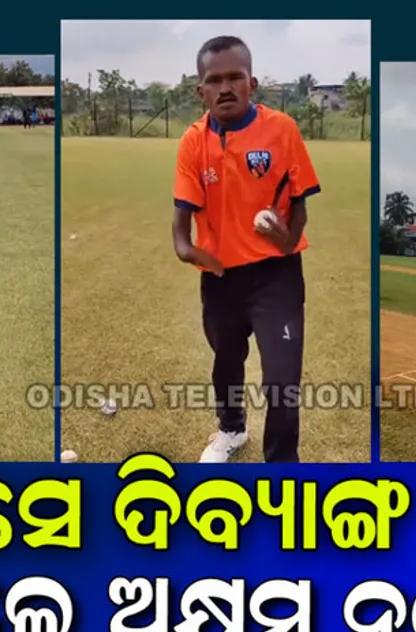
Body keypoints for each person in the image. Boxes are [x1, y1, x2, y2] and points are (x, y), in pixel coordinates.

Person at [172, 35, 321, 464]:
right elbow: (181, 236)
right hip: (221, 279)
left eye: (235, 77)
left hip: (277, 275)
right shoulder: (193, 143)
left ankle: (281, 467)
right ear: (200, 90)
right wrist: (201, 257)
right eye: (213, 80)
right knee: (226, 363)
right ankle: (232, 430)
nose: (225, 88)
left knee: (282, 381)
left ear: (251, 83)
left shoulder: (282, 130)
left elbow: (299, 211)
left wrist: (286, 238)